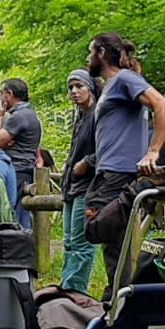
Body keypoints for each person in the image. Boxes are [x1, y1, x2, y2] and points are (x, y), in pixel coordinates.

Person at [83, 32, 165, 292]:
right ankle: (118, 302)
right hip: (108, 171)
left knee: (96, 229)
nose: (88, 58)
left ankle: (120, 300)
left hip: (121, 172)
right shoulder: (111, 87)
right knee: (115, 246)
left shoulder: (125, 79)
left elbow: (164, 107)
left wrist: (153, 151)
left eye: (91, 52)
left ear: (101, 52)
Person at [59, 70, 100, 293]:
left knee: (82, 244)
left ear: (90, 89)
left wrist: (87, 162)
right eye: (71, 87)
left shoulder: (98, 115)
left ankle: (75, 292)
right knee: (69, 243)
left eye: (79, 86)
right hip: (72, 187)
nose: (74, 91)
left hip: (88, 187)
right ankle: (67, 288)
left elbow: (107, 150)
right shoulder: (81, 117)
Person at [0, 78, 42, 228]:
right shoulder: (30, 114)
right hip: (25, 169)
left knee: (12, 214)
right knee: (22, 214)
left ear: (9, 94)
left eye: (2, 93)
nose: (0, 98)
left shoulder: (19, 116)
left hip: (17, 170)